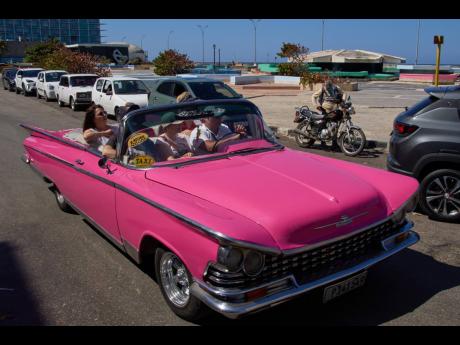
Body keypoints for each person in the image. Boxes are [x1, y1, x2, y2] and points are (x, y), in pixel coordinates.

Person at [311, 76, 347, 148]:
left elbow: (344, 93)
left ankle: (334, 142)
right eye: (326, 81)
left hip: (335, 109)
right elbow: (313, 96)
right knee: (324, 123)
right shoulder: (323, 89)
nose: (327, 83)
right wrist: (316, 105)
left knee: (335, 125)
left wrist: (343, 101)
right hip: (325, 109)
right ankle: (322, 141)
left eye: (328, 81)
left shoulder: (336, 87)